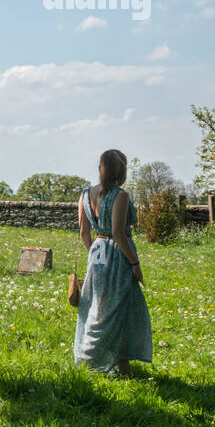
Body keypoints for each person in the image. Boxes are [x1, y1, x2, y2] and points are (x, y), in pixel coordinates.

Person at [75, 149, 152, 375]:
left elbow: (83, 232)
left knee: (100, 305)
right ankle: (89, 360)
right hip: (118, 254)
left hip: (97, 251)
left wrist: (96, 254)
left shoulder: (85, 194)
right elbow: (118, 233)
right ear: (121, 170)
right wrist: (135, 264)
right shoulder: (121, 196)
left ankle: (120, 364)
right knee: (114, 308)